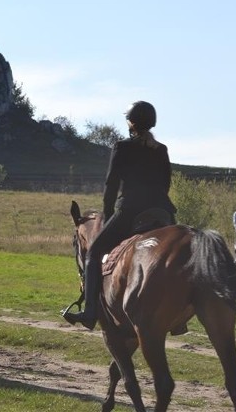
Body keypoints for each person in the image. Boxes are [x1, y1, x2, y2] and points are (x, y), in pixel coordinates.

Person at [62, 101, 177, 330]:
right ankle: (178, 315)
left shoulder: (122, 147)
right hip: (163, 214)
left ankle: (90, 312)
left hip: (131, 211)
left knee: (93, 254)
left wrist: (106, 215)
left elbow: (111, 184)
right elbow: (165, 185)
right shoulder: (161, 149)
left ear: (131, 123)